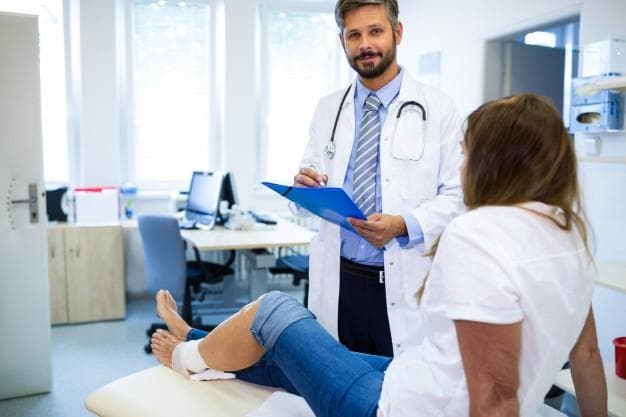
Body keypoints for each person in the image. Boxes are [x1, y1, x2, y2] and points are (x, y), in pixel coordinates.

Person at [152, 94, 607, 417]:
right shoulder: (569, 236)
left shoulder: (477, 233)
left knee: (274, 309)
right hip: (417, 377)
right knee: (294, 357)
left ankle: (187, 355)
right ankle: (197, 337)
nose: (462, 166)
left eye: (467, 153)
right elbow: (586, 354)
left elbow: (496, 398)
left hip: (397, 406)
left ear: (496, 161)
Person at [291, 0, 464, 356]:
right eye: (354, 35)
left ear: (397, 33)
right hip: (340, 280)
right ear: (342, 41)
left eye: (375, 31)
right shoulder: (328, 109)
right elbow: (309, 185)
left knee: (402, 396)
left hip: (403, 279)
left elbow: (459, 196)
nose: (365, 44)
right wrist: (303, 188)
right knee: (339, 390)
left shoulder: (440, 108)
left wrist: (403, 224)